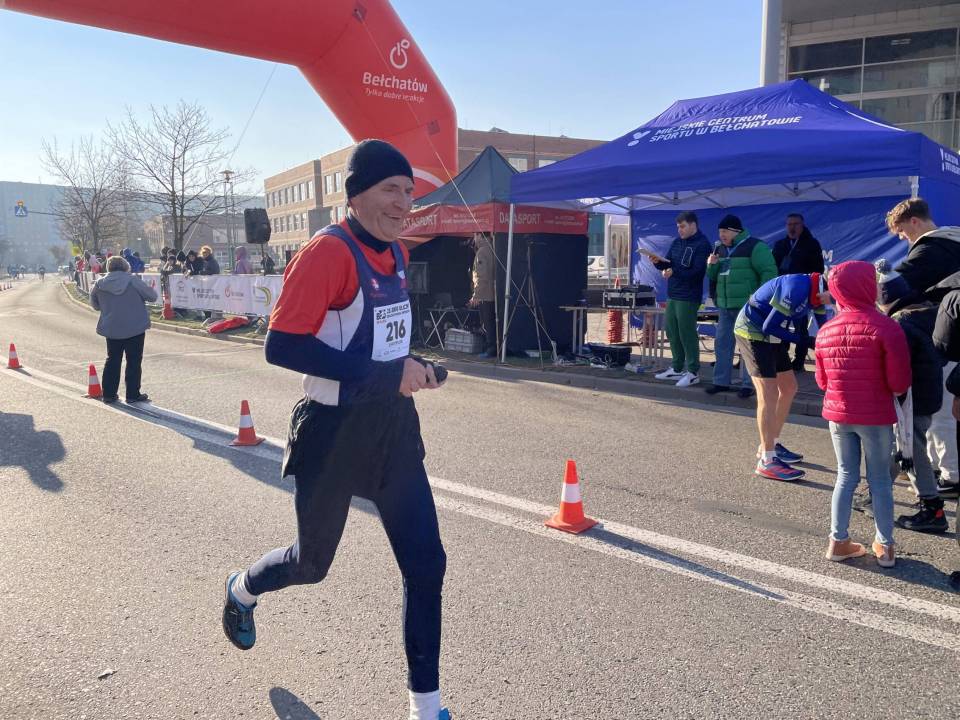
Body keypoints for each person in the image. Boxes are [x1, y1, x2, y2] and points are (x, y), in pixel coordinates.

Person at [221, 140, 450, 720]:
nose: (403, 203)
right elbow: (281, 345)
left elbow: (379, 343)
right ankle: (242, 588)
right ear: (356, 195)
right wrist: (385, 374)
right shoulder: (328, 252)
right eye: (390, 189)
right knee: (311, 564)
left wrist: (412, 366)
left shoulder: (395, 254)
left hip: (392, 431)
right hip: (333, 434)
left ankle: (426, 709)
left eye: (409, 191)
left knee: (427, 564)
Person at [815, 261, 912, 569]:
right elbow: (899, 382)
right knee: (880, 479)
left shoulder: (826, 330)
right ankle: (885, 546)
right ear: (870, 287)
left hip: (838, 414)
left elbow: (822, 382)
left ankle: (838, 541)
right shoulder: (887, 327)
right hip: (875, 415)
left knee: (845, 475)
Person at [734, 271, 829, 481]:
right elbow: (769, 325)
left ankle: (771, 444)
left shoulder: (818, 293)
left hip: (773, 334)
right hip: (752, 330)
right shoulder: (798, 287)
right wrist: (805, 341)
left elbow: (824, 325)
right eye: (835, 297)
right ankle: (766, 460)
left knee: (788, 388)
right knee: (767, 393)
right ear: (826, 289)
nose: (834, 303)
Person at [705, 214, 777, 398]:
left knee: (748, 347)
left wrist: (760, 300)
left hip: (748, 307)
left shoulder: (756, 246)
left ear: (736, 231)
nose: (721, 235)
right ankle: (720, 382)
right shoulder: (720, 249)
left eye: (725, 231)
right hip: (725, 306)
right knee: (722, 344)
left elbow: (769, 273)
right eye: (720, 232)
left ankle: (748, 384)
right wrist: (711, 265)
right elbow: (713, 277)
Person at [650, 211, 712, 387]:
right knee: (672, 332)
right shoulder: (677, 242)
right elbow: (668, 263)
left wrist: (673, 272)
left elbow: (698, 272)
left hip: (689, 296)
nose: (680, 230)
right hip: (673, 294)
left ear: (693, 225)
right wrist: (657, 262)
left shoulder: (703, 244)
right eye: (678, 227)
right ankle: (677, 368)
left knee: (687, 333)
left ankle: (693, 372)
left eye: (683, 226)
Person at [89, 255, 158, 404]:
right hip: (135, 326)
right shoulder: (133, 280)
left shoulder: (99, 283)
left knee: (112, 359)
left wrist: (107, 306)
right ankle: (132, 394)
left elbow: (94, 305)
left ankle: (109, 394)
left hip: (112, 326)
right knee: (133, 360)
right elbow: (152, 296)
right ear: (125, 266)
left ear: (108, 267)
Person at [772, 213, 824, 372]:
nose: (792, 227)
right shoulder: (780, 244)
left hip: (802, 292)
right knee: (780, 326)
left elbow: (818, 270)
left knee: (800, 327)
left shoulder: (811, 244)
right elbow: (773, 267)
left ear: (802, 225)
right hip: (782, 292)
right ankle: (782, 358)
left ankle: (799, 360)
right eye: (789, 224)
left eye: (795, 224)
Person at [467, 233, 497, 358]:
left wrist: (476, 294)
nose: (474, 238)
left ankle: (491, 349)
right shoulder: (493, 248)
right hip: (492, 293)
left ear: (479, 235)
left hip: (485, 294)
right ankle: (492, 347)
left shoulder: (482, 251)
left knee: (487, 322)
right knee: (491, 322)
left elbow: (481, 276)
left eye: (475, 235)